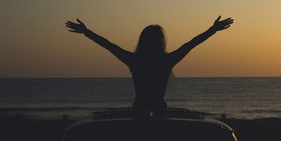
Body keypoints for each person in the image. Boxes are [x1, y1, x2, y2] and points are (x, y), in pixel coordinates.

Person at [65, 16, 233, 109]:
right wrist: (212, 30)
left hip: (139, 108)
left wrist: (87, 32)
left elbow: (109, 46)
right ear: (161, 41)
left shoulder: (135, 60)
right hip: (160, 109)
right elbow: (191, 44)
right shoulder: (166, 61)